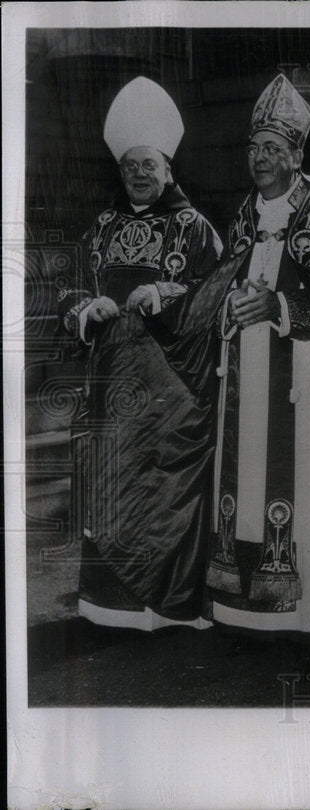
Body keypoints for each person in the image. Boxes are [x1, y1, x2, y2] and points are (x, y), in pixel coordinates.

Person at [201, 74, 310, 637]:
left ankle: (307, 611)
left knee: (306, 484)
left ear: (297, 154)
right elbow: (218, 288)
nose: (260, 159)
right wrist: (229, 310)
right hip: (244, 381)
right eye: (255, 148)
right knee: (242, 478)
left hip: (304, 383)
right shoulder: (244, 216)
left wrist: (281, 309)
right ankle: (242, 605)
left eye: (273, 148)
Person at [58, 76, 222, 630]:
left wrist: (167, 294)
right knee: (108, 485)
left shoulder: (195, 228)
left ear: (168, 166)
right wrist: (85, 310)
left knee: (159, 490)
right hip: (109, 391)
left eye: (147, 163)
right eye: (129, 164)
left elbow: (213, 297)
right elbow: (70, 288)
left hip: (169, 396)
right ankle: (109, 604)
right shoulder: (101, 229)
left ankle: (165, 607)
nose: (137, 173)